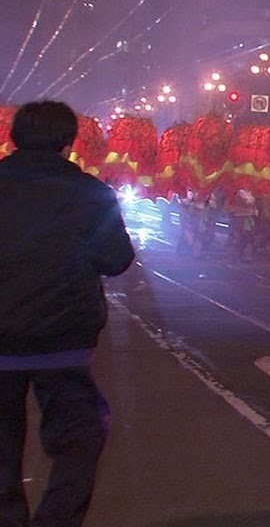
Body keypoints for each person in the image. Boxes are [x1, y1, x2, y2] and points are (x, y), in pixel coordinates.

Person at [0, 101, 135, 527]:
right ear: (68, 142)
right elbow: (116, 259)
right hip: (63, 344)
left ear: (13, 137)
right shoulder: (92, 194)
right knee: (80, 439)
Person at [226, 188, 257, 262]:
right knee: (241, 236)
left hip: (249, 216)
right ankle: (235, 255)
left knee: (248, 236)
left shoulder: (250, 192)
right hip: (241, 216)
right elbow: (247, 202)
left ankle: (245, 255)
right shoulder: (240, 192)